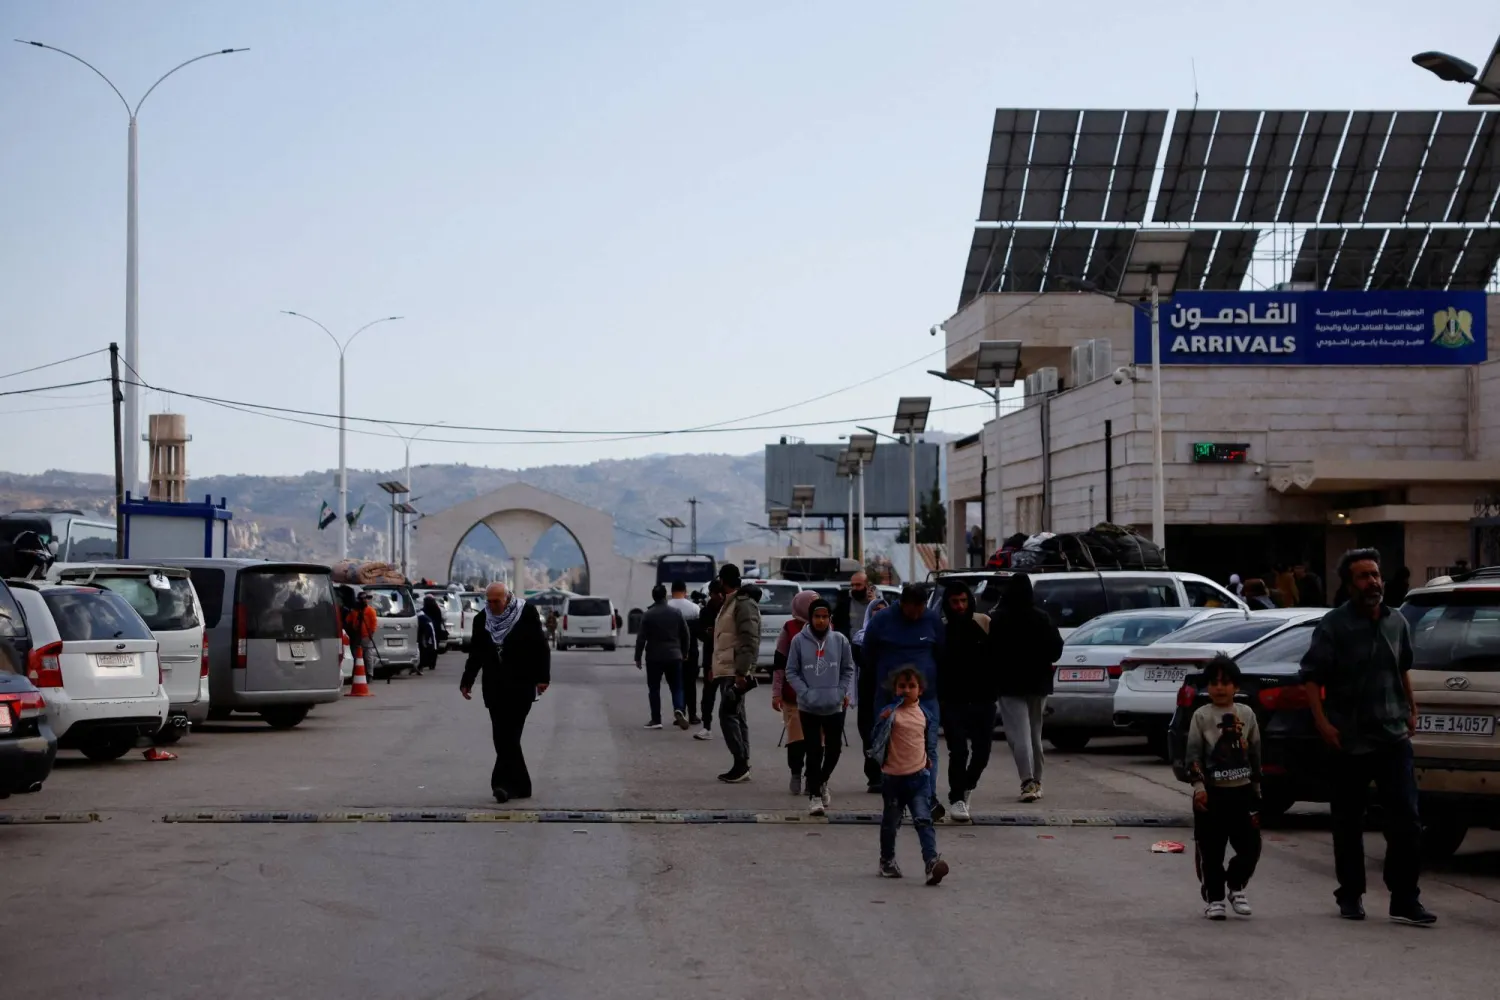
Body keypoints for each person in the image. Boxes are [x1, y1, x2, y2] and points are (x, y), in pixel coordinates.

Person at [1299, 547, 1433, 926]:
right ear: (1349, 584)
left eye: (1375, 574)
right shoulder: (1334, 625)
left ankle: (1405, 899)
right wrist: (1323, 723)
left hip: (1392, 736)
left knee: (1406, 821)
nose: (1372, 582)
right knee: (1348, 821)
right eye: (1363, 576)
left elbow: (1401, 667)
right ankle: (1351, 894)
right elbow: (1311, 676)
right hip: (1349, 739)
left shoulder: (1397, 622)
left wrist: (1411, 706)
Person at [1186, 654, 1263, 921]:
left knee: (1251, 847)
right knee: (1211, 850)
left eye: (1226, 682)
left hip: (1242, 792)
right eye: (1214, 682)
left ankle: (1236, 886)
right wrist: (1199, 788)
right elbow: (1193, 755)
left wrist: (1257, 789)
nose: (1220, 688)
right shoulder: (1201, 716)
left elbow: (1254, 753)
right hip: (1212, 794)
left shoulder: (1247, 715)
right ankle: (1215, 898)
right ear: (1207, 686)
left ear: (1236, 687)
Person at [459, 582, 550, 803]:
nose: (491, 605)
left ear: (507, 599)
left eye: (496, 601)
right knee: (501, 737)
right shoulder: (482, 620)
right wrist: (467, 680)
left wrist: (542, 677)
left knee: (510, 735)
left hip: (521, 684)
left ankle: (502, 785)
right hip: (495, 687)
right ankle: (523, 785)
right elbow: (476, 653)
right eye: (488, 601)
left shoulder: (525, 613)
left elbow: (541, 646)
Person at [863, 585, 944, 814]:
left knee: (929, 747)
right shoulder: (883, 621)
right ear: (903, 603)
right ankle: (895, 797)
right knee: (888, 746)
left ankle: (929, 797)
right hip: (890, 697)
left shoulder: (931, 620)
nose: (916, 614)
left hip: (925, 698)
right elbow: (868, 654)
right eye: (912, 609)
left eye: (921, 608)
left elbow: (941, 653)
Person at [868, 667, 948, 885]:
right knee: (891, 822)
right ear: (895, 689)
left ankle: (931, 862)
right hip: (893, 779)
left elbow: (930, 748)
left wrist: (930, 778)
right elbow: (875, 740)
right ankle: (887, 860)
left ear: (920, 690)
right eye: (902, 686)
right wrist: (881, 720)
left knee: (923, 820)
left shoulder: (925, 716)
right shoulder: (890, 713)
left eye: (911, 686)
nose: (906, 690)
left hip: (918, 778)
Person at [992, 573, 1064, 803]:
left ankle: (1027, 781)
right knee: (1035, 732)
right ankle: (1038, 781)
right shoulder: (1042, 617)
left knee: (1018, 734)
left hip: (1009, 683)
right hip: (1038, 683)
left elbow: (989, 653)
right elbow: (1056, 651)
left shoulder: (998, 618)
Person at [785, 598, 855, 816]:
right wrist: (805, 693)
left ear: (830, 619)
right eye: (817, 616)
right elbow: (791, 671)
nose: (821, 621)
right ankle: (814, 796)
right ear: (811, 617)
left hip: (834, 706)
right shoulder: (798, 640)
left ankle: (822, 780)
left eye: (825, 617)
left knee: (834, 750)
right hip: (809, 707)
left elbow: (848, 669)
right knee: (814, 750)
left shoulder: (840, 640)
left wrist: (840, 692)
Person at [937, 580, 998, 821]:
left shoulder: (983, 623)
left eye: (963, 601)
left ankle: (966, 787)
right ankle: (957, 798)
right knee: (959, 751)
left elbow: (995, 658)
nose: (960, 606)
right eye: (955, 602)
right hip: (953, 700)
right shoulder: (942, 629)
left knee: (982, 753)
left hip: (983, 699)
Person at [710, 564, 760, 782]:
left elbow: (749, 639)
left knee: (728, 715)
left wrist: (742, 671)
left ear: (723, 580)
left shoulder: (742, 604)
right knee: (737, 715)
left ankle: (740, 763)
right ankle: (743, 763)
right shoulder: (729, 603)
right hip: (727, 669)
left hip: (735, 670)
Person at [834, 572, 881, 792]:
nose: (855, 588)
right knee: (866, 728)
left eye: (858, 584)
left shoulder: (877, 606)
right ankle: (873, 774)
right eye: (852, 584)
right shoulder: (844, 602)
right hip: (852, 663)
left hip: (883, 682)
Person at [772, 591, 818, 795]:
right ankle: (796, 773)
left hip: (821, 696)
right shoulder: (789, 629)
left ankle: (813, 777)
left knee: (817, 741)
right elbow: (779, 663)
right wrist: (776, 692)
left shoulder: (827, 628)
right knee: (796, 739)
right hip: (794, 695)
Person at [635, 584, 692, 730]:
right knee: (677, 687)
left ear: (653, 596)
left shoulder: (648, 614)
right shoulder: (676, 613)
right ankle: (679, 708)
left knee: (654, 688)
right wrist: (684, 652)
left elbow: (641, 638)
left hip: (654, 657)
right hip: (674, 655)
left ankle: (656, 719)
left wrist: (638, 656)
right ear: (665, 595)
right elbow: (686, 634)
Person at [694, 580, 726, 741]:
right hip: (711, 657)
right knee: (708, 694)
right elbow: (699, 632)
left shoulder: (729, 610)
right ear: (711, 594)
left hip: (727, 658)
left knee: (729, 695)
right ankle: (706, 726)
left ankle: (731, 726)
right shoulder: (706, 612)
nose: (719, 596)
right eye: (716, 593)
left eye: (722, 593)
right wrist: (708, 633)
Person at [667, 581, 702, 726]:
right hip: (691, 650)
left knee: (676, 684)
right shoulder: (694, 608)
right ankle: (693, 714)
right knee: (690, 683)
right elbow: (699, 630)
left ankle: (679, 711)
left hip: (672, 650)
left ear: (672, 590)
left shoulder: (667, 607)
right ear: (685, 591)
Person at [415, 598, 440, 676]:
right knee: (426, 647)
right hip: (428, 630)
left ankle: (423, 664)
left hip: (429, 629)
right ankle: (425, 664)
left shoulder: (424, 613)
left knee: (427, 646)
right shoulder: (434, 609)